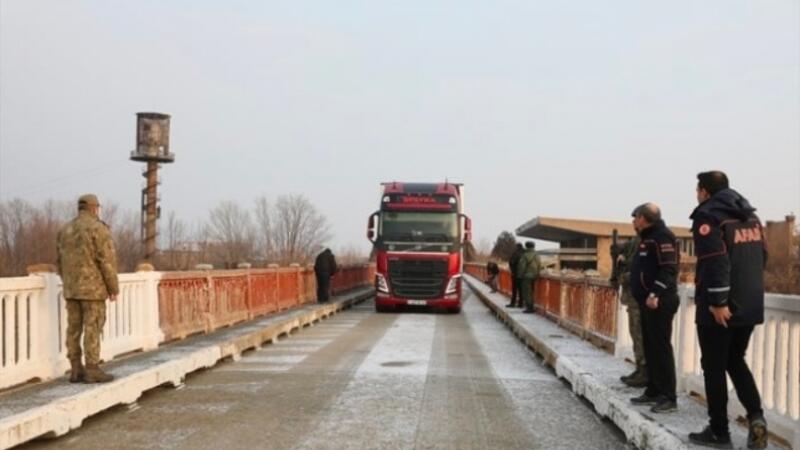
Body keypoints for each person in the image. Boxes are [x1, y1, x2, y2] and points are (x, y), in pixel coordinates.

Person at [688, 171, 768, 449]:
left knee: (713, 367)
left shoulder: (708, 215)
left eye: (697, 190)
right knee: (736, 360)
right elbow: (763, 258)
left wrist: (719, 303)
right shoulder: (750, 217)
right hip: (750, 304)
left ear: (705, 191)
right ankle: (756, 418)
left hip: (719, 309)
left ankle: (719, 431)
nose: (696, 195)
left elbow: (715, 260)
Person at [56, 194, 119, 383]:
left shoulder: (64, 230)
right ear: (94, 208)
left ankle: (75, 368)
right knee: (93, 326)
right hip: (92, 289)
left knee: (73, 327)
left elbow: (59, 262)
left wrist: (68, 281)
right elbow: (106, 261)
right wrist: (113, 288)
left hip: (71, 289)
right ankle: (92, 368)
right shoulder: (98, 229)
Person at [628, 203, 679, 413]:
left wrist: (655, 292)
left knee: (661, 348)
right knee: (650, 347)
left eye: (636, 217)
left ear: (643, 218)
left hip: (660, 300)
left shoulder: (662, 237)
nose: (633, 220)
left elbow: (669, 268)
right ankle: (653, 390)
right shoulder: (647, 237)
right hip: (646, 301)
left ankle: (669, 397)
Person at [612, 235, 648, 388]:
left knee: (640, 334)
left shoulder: (646, 240)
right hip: (632, 296)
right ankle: (640, 368)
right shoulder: (635, 241)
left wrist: (622, 274)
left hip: (639, 296)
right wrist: (616, 250)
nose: (635, 222)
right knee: (635, 333)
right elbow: (623, 249)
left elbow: (639, 269)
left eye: (637, 219)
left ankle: (644, 371)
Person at [516, 241, 541, 313]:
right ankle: (532, 306)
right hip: (535, 275)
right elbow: (539, 265)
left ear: (526, 246)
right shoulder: (537, 255)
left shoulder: (525, 255)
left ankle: (529, 307)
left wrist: (519, 276)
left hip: (526, 276)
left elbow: (521, 266)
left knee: (527, 292)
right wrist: (537, 274)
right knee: (533, 291)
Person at [506, 243, 524, 308]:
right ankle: (520, 304)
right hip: (523, 274)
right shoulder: (524, 253)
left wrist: (512, 270)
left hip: (516, 274)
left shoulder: (516, 253)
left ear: (517, 247)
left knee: (514, 289)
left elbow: (511, 262)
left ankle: (513, 303)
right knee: (521, 289)